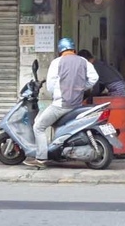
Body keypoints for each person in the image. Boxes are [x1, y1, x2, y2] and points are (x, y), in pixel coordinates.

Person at [25, 37, 98, 169]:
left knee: (39, 127)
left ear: (60, 50)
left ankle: (41, 158)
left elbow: (50, 85)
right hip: (77, 104)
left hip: (61, 105)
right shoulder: (83, 61)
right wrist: (82, 87)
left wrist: (57, 93)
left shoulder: (57, 62)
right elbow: (94, 78)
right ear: (73, 49)